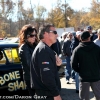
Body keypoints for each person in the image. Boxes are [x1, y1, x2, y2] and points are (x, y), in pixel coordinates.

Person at [30, 24, 62, 100]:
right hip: (47, 94)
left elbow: (50, 72)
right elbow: (46, 76)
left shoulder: (45, 48)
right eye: (54, 32)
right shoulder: (43, 50)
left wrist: (57, 65)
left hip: (47, 93)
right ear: (46, 34)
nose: (57, 35)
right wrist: (56, 94)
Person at [71, 31, 100, 100]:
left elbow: (73, 64)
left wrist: (80, 70)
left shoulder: (77, 49)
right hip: (95, 76)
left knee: (84, 97)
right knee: (99, 96)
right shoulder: (97, 48)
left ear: (81, 38)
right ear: (89, 38)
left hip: (84, 77)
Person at [19, 24, 38, 100]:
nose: (34, 37)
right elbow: (30, 64)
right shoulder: (24, 47)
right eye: (31, 35)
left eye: (35, 35)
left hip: (36, 77)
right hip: (31, 78)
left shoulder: (33, 45)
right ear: (26, 36)